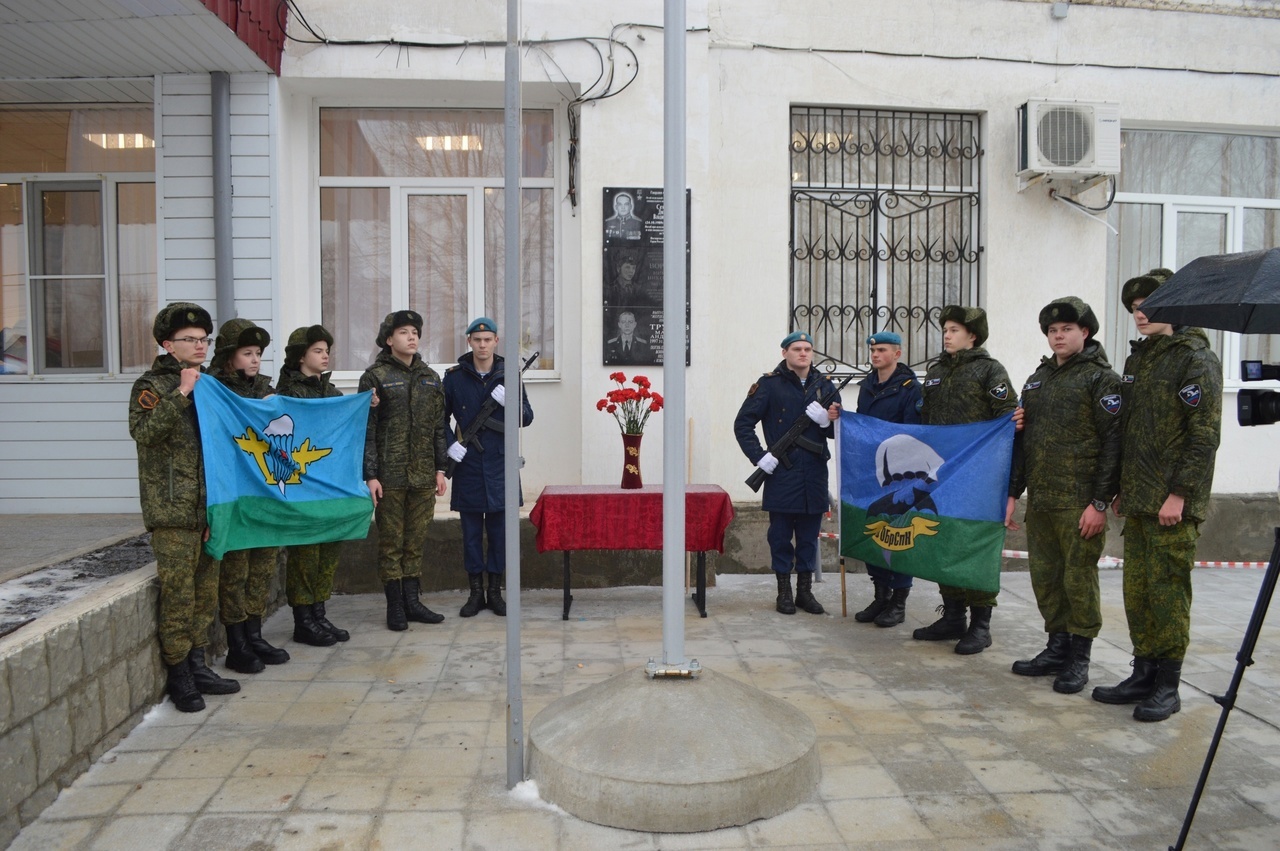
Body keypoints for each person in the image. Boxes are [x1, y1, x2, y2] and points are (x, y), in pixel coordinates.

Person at [1092, 269, 1222, 722]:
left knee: (1167, 592)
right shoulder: (1139, 360)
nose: (1140, 313)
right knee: (1139, 591)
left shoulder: (1195, 359)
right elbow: (1129, 430)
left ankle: (1168, 685)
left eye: (1149, 304)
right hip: (1140, 499)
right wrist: (1123, 488)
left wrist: (1180, 495)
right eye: (1133, 308)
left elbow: (1203, 436)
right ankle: (1143, 672)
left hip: (1171, 503)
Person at [1007, 298, 1121, 694]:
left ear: (1084, 333)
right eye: (1053, 331)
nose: (1058, 335)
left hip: (1079, 501)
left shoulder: (1102, 379)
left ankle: (1079, 658)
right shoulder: (1037, 380)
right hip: (1041, 500)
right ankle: (1056, 647)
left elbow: (1113, 444)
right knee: (1047, 578)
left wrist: (1100, 502)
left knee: (1078, 580)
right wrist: (1013, 493)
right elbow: (1023, 443)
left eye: (1067, 329)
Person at [129, 302, 239, 712]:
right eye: (190, 340)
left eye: (203, 340)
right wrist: (181, 392)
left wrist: (216, 507)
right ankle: (179, 676)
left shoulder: (211, 386)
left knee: (204, 595)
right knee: (178, 596)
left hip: (206, 510)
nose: (199, 346)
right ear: (167, 345)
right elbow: (145, 433)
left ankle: (198, 664)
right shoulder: (151, 386)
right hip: (172, 511)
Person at [913, 305, 1017, 654]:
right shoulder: (936, 371)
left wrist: (1005, 481)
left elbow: (1008, 423)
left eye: (954, 329)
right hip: (942, 477)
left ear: (972, 335)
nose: (946, 334)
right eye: (945, 328)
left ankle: (981, 624)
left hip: (979, 478)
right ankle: (953, 614)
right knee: (944, 544)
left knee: (975, 548)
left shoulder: (990, 371)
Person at [734, 330, 841, 616]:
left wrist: (825, 425)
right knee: (780, 536)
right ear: (785, 353)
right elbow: (742, 424)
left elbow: (840, 431)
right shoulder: (769, 385)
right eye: (797, 349)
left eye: (808, 348)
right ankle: (784, 592)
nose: (803, 353)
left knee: (808, 536)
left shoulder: (825, 386)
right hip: (782, 472)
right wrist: (760, 456)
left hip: (814, 472)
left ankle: (805, 592)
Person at [359, 310, 449, 631]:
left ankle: (412, 601)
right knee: (391, 543)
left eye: (415, 332)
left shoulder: (430, 377)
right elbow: (366, 430)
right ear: (388, 339)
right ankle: (394, 605)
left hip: (423, 475)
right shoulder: (375, 377)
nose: (411, 337)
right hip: (390, 475)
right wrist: (371, 474)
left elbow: (439, 426)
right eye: (403, 332)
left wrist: (441, 469)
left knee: (416, 541)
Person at [210, 318, 291, 673]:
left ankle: (255, 633)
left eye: (258, 353)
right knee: (236, 571)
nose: (255, 360)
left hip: (265, 493)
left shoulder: (265, 390)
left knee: (262, 566)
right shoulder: (214, 390)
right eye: (247, 353)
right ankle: (237, 642)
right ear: (229, 356)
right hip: (234, 495)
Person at [443, 317, 535, 617]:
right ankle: (474, 594)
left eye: (488, 340)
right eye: (477, 340)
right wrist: (449, 445)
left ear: (496, 342)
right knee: (470, 534)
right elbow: (439, 420)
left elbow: (526, 417)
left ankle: (495, 592)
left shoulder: (509, 374)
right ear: (469, 341)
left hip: (500, 465)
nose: (482, 345)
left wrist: (511, 403)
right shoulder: (454, 378)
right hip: (468, 464)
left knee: (499, 534)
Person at [276, 324, 356, 646]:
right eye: (317, 351)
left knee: (328, 551)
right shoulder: (287, 393)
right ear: (300, 357)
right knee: (306, 555)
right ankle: (303, 620)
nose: (325, 356)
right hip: (301, 486)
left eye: (326, 351)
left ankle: (319, 614)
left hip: (328, 485)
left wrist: (368, 405)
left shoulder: (331, 392)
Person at [852, 330, 922, 628]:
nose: (876, 355)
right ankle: (880, 595)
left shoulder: (910, 388)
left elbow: (913, 431)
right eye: (873, 350)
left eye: (882, 350)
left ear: (897, 353)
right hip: (871, 471)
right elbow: (861, 422)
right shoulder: (867, 386)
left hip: (900, 473)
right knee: (873, 531)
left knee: (899, 535)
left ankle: (898, 601)